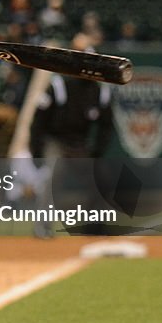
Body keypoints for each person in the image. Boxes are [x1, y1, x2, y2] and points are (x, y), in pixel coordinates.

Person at [28, 33, 115, 238]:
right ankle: (43, 228)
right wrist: (36, 150)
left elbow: (106, 126)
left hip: (80, 142)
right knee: (52, 175)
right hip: (55, 140)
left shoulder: (99, 91)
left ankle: (94, 227)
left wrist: (97, 151)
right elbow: (38, 121)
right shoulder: (59, 86)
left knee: (100, 177)